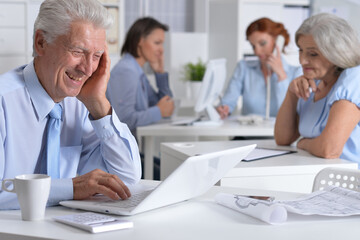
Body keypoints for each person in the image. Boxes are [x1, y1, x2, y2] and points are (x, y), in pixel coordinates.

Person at [0, 0, 141, 210]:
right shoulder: (4, 102)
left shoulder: (81, 104)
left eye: (97, 56)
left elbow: (126, 177)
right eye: (77, 52)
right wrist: (71, 188)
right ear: (40, 42)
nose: (87, 69)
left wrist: (98, 105)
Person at [274, 13, 360, 164]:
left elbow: (329, 150)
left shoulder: (353, 80)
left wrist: (304, 143)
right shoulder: (312, 84)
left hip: (350, 183)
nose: (302, 60)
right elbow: (283, 139)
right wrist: (291, 93)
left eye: (313, 54)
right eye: (300, 50)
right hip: (314, 175)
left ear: (337, 54)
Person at [217, 18, 302, 119]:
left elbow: (291, 113)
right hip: (247, 134)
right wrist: (225, 108)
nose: (257, 51)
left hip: (278, 135)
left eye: (262, 44)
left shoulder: (296, 73)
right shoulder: (244, 67)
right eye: (253, 46)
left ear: (277, 42)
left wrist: (281, 75)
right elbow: (228, 101)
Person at [106, 17, 174, 136]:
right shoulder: (126, 71)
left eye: (162, 44)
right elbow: (123, 119)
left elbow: (166, 105)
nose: (161, 50)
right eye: (157, 43)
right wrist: (159, 111)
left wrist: (160, 72)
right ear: (140, 41)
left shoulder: (137, 72)